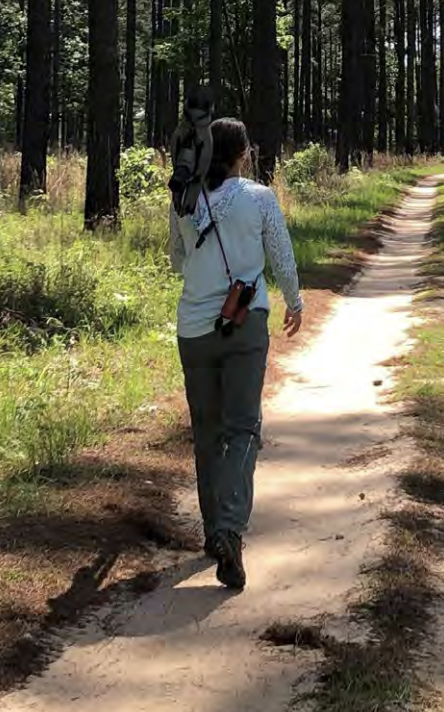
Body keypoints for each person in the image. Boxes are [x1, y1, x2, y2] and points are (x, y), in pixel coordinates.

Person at [169, 118, 303, 591]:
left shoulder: (183, 198)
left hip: (194, 329)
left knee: (207, 431)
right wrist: (295, 300)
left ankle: (212, 534)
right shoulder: (260, 197)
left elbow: (176, 261)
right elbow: (281, 255)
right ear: (244, 153)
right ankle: (229, 528)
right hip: (245, 325)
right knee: (243, 427)